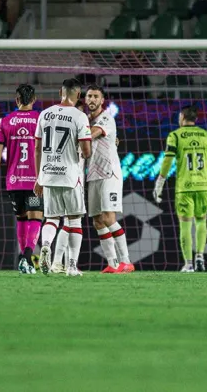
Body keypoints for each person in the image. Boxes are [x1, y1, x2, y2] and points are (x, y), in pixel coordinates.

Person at [152, 105, 207, 273]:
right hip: (204, 185)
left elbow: (168, 160)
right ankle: (200, 257)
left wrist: (160, 182)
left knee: (185, 225)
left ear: (182, 117)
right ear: (195, 118)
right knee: (201, 221)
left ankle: (189, 264)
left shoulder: (175, 135)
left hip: (184, 186)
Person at [34, 78, 92, 277]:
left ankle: (46, 245)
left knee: (51, 218)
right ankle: (72, 266)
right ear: (77, 95)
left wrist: (39, 177)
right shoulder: (80, 116)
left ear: (61, 92)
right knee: (74, 220)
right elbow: (86, 150)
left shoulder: (44, 114)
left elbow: (37, 148)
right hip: (69, 175)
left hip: (48, 174)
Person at [0, 84, 42, 274]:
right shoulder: (40, 119)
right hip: (35, 181)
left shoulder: (6, 121)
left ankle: (23, 260)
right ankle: (26, 258)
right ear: (34, 100)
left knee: (21, 218)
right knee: (36, 217)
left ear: (17, 100)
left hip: (14, 181)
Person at [84, 85, 133, 274]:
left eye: (96, 96)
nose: (92, 100)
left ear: (102, 100)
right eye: (89, 96)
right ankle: (112, 263)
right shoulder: (87, 119)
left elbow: (89, 134)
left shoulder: (105, 118)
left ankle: (126, 261)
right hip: (93, 174)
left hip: (109, 173)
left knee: (108, 217)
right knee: (97, 220)